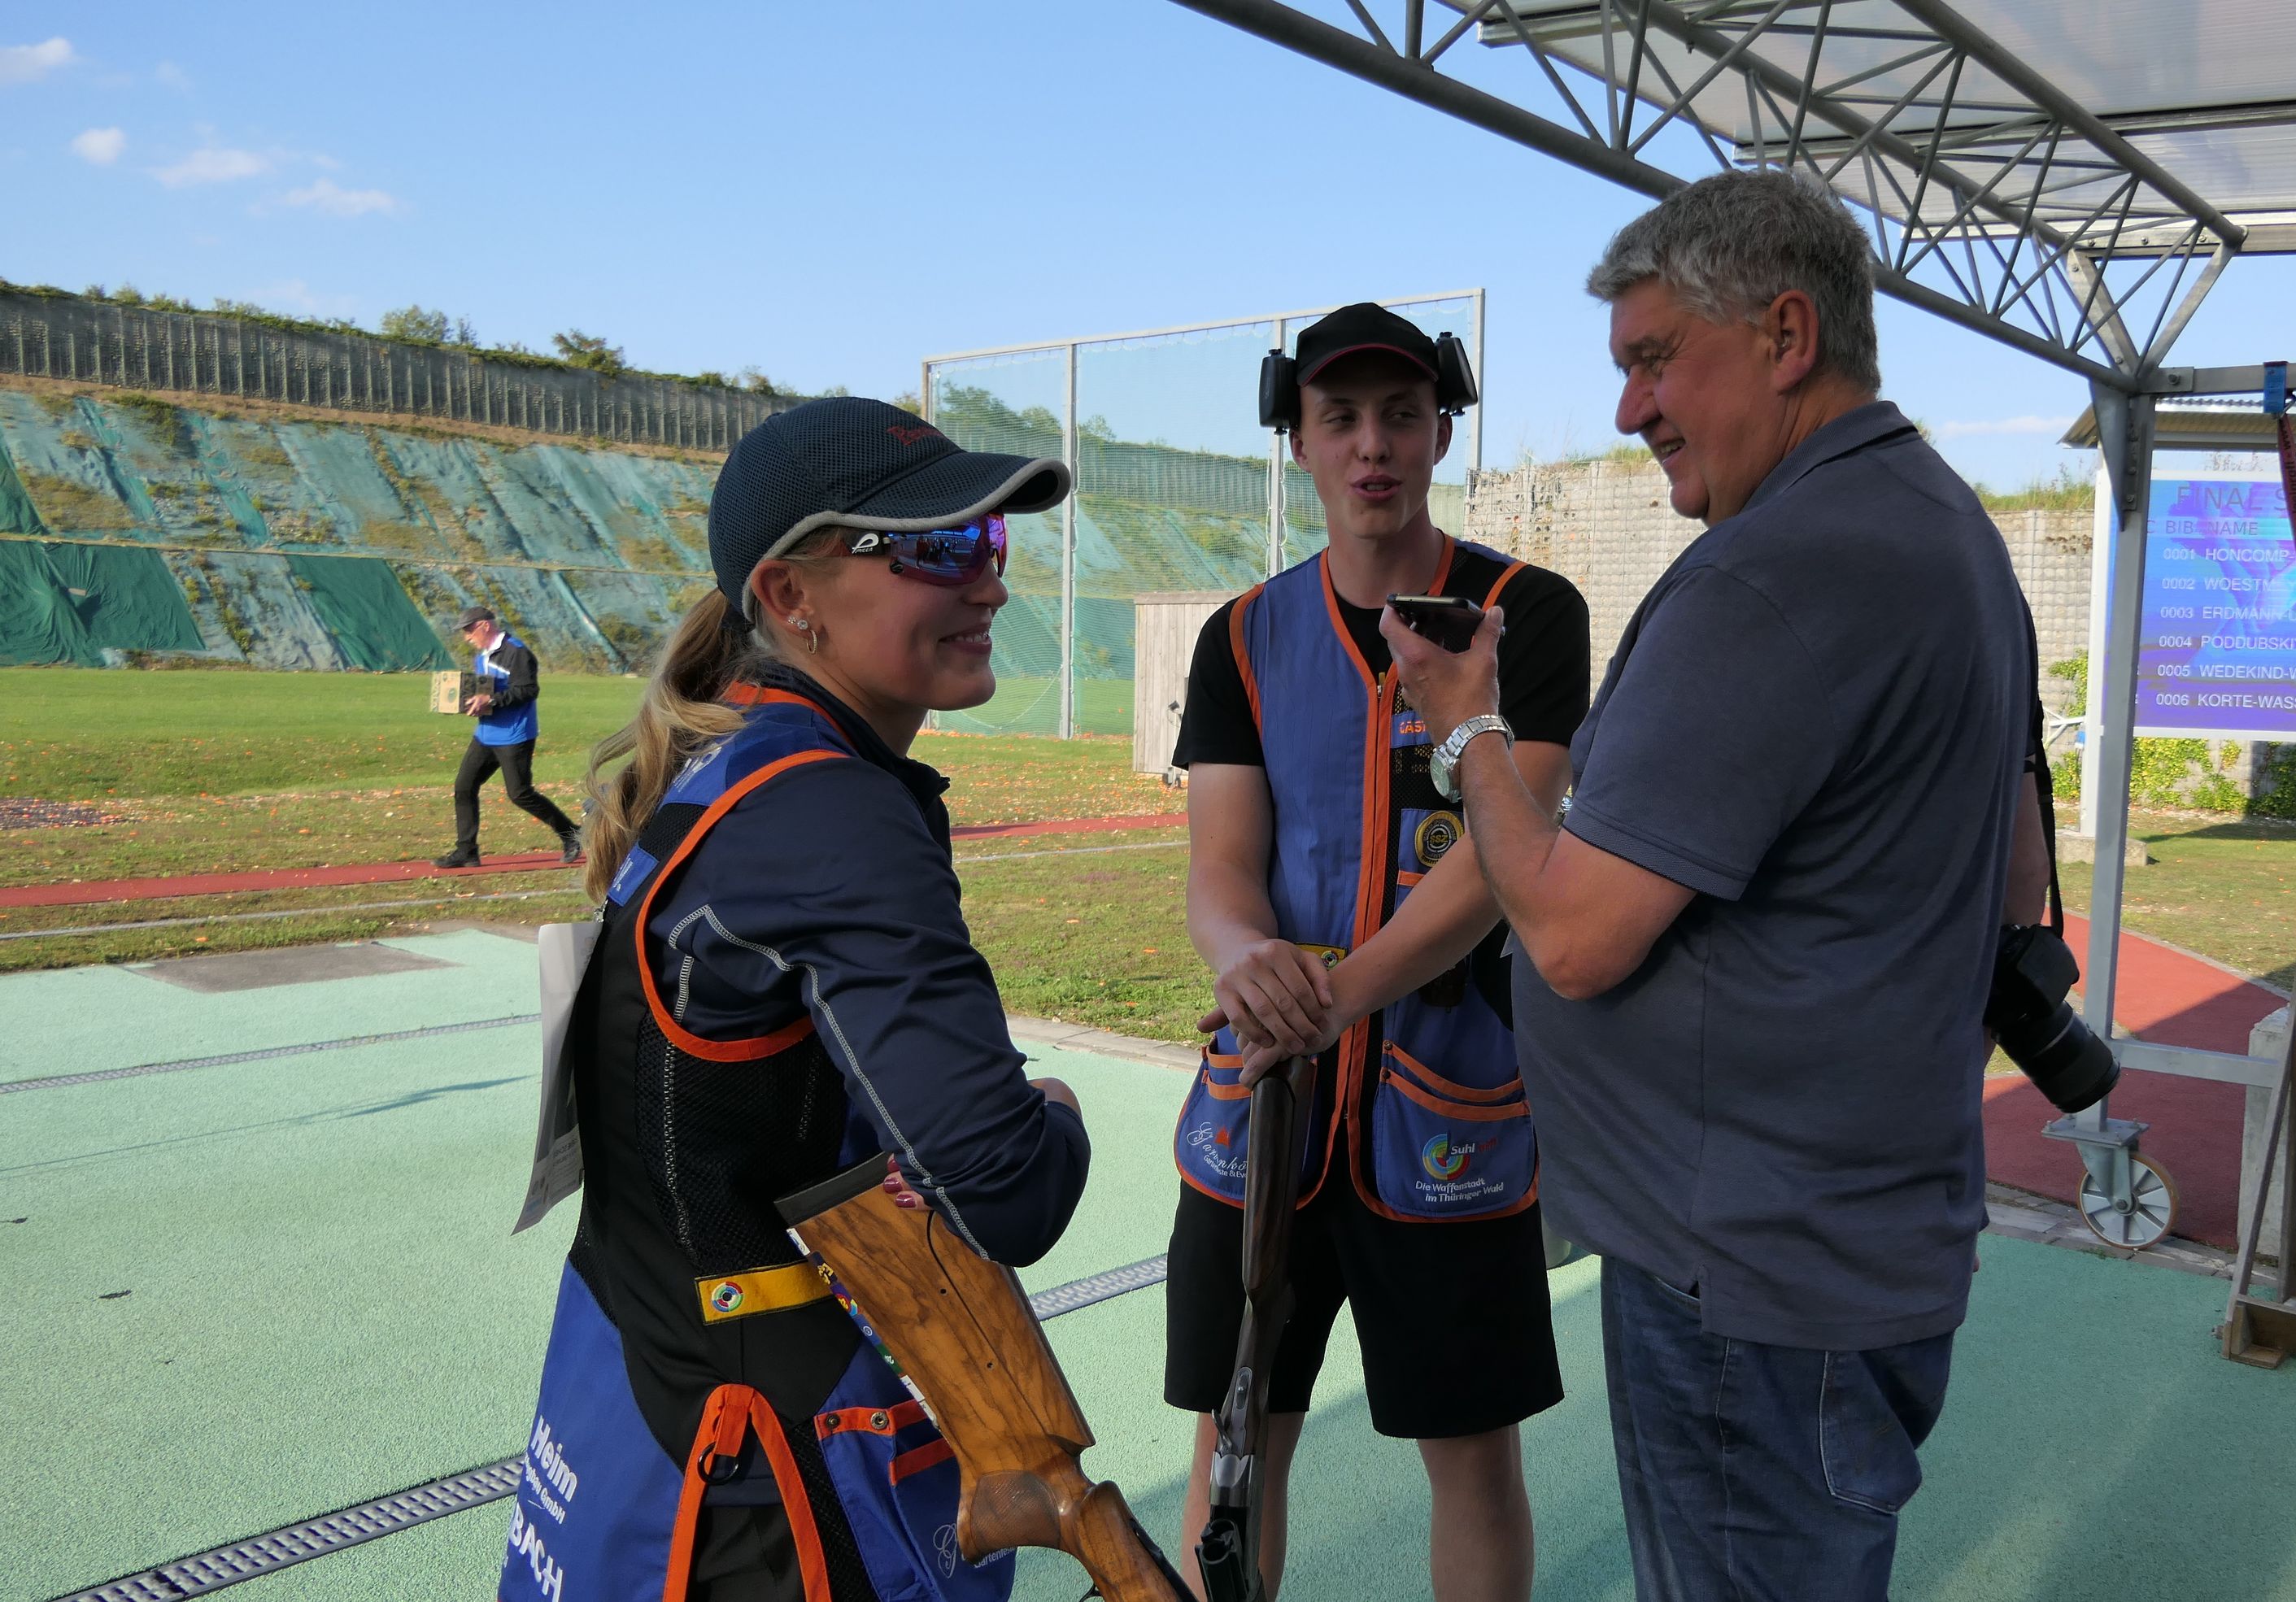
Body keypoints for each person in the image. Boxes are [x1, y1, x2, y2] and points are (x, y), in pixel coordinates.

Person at [1379, 172, 2041, 1600]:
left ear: (1787, 333)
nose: (1631, 411)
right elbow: (2014, 878)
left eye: (1654, 358)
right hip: (1843, 1239)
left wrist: (1468, 725)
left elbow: (1568, 936)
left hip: (1749, 1274)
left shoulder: (1778, 571)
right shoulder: (1944, 531)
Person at [500, 398, 1092, 1602]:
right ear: (789, 595)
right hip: (765, 1477)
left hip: (641, 1399)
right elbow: (1009, 1188)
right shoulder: (829, 807)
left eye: (990, 543)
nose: (987, 584)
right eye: (935, 547)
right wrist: (1061, 1109)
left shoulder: (738, 763)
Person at [1162, 303, 1591, 1602]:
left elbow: (1508, 851)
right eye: (1340, 417)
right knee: (1236, 1443)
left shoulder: (1531, 613)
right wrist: (1246, 958)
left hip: (1451, 1110)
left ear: (1443, 429)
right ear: (1295, 437)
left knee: (1470, 1458)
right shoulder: (1239, 636)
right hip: (1263, 1114)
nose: (1373, 447)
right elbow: (1221, 866)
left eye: (1401, 415)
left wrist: (1339, 991)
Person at [438, 605, 582, 868]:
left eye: (469, 630)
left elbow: (528, 690)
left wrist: (491, 698)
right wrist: (472, 705)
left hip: (514, 735)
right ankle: (467, 850)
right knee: (464, 786)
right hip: (486, 734)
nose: (467, 637)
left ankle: (572, 834)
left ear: (485, 625)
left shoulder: (517, 652)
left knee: (519, 794)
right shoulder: (482, 657)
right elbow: (487, 694)